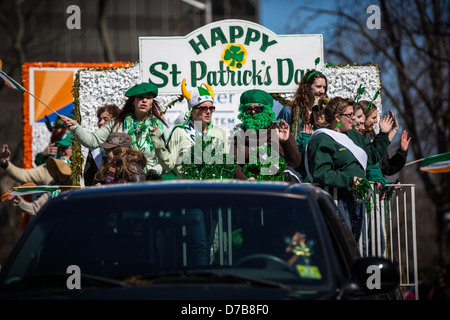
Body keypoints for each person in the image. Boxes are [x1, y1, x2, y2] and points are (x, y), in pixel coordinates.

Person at [305, 97, 393, 244]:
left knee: (355, 244)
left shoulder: (352, 135)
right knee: (342, 244)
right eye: (349, 115)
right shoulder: (322, 139)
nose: (354, 118)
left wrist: (383, 134)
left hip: (357, 197)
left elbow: (371, 156)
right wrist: (349, 181)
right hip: (337, 199)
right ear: (337, 117)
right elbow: (321, 173)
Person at [60, 82, 168, 177]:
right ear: (133, 101)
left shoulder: (158, 127)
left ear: (152, 102)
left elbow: (168, 158)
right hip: (120, 180)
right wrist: (75, 126)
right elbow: (92, 141)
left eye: (148, 98)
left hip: (149, 181)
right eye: (140, 97)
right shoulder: (117, 123)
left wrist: (154, 171)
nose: (144, 100)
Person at [149, 79, 228, 180]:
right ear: (192, 111)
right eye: (203, 108)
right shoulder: (179, 132)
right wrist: (158, 144)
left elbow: (226, 166)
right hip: (188, 189)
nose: (208, 112)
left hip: (213, 189)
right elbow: (168, 166)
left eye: (211, 108)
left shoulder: (219, 133)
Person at [231, 88, 302, 181]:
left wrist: (285, 141)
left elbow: (295, 163)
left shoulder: (278, 130)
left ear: (267, 110)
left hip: (278, 184)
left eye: (258, 108)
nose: (253, 112)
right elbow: (233, 163)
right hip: (250, 185)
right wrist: (245, 179)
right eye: (249, 109)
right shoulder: (239, 134)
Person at [359, 100, 411, 176]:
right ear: (363, 117)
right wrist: (384, 133)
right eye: (373, 118)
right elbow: (370, 159)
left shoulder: (371, 135)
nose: (376, 121)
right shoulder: (354, 138)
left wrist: (402, 152)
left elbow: (387, 167)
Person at [6, 157, 72, 216]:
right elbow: (35, 208)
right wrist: (20, 202)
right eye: (57, 170)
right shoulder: (53, 188)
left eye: (62, 170)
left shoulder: (78, 186)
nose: (59, 173)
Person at [0, 133, 73, 185]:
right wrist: (6, 164)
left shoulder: (82, 169)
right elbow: (24, 175)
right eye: (60, 148)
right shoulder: (51, 168)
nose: (62, 152)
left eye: (65, 148)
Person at [278, 70, 328, 139]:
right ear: (307, 87)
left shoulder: (324, 113)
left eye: (324, 87)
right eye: (318, 87)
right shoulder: (289, 111)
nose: (322, 91)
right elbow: (275, 140)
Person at [83, 104, 121, 186]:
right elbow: (88, 176)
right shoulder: (95, 148)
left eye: (105, 119)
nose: (100, 123)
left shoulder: (123, 146)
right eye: (99, 120)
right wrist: (95, 185)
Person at [296, 94, 328, 181]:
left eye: (321, 110)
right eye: (315, 110)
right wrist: (306, 139)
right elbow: (297, 160)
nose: (318, 113)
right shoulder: (305, 131)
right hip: (308, 181)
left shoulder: (337, 129)